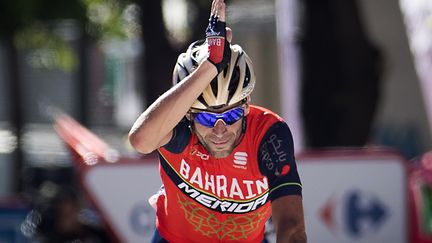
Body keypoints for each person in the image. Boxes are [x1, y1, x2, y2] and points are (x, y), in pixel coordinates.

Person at [129, 0, 306, 242]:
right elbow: (141, 140)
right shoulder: (179, 129)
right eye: (206, 117)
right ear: (189, 115)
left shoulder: (267, 134)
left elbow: (292, 225)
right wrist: (209, 67)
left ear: (246, 106)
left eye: (231, 115)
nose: (220, 129)